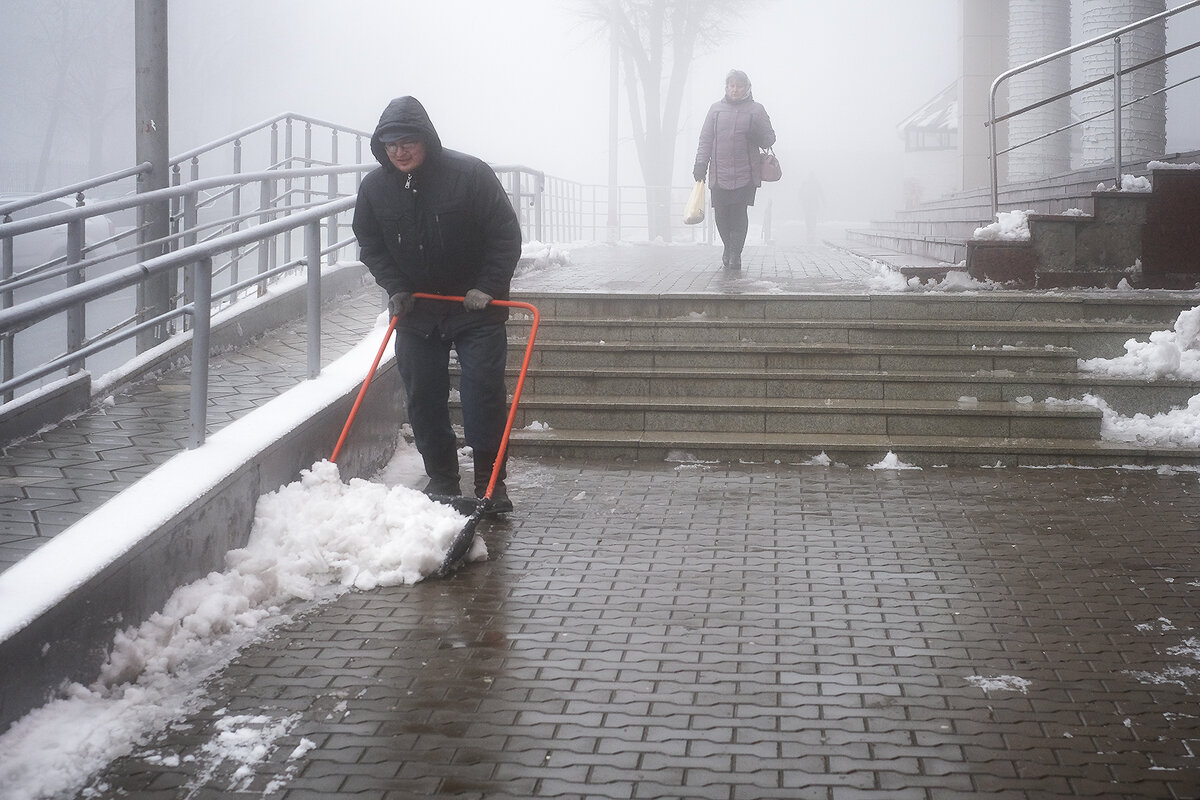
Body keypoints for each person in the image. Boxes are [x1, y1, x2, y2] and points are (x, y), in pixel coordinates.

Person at [352, 96, 522, 512]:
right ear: (381, 148)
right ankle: (442, 476)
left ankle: (489, 481)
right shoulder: (376, 188)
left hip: (476, 307)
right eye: (391, 144)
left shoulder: (470, 175)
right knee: (423, 396)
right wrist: (395, 286)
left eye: (408, 141)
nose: (400, 151)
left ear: (426, 139)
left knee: (481, 392)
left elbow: (504, 234)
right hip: (418, 310)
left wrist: (488, 285)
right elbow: (370, 243)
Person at [693, 69, 776, 270]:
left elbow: (770, 138)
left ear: (746, 88)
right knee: (721, 214)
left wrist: (757, 137)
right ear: (727, 87)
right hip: (719, 173)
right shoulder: (715, 110)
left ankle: (735, 254)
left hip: (745, 172)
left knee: (738, 213)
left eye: (739, 86)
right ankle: (728, 247)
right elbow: (706, 139)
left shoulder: (756, 109)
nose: (735, 90)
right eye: (732, 86)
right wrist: (700, 164)